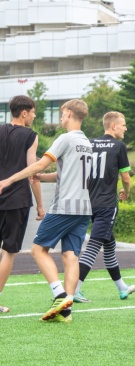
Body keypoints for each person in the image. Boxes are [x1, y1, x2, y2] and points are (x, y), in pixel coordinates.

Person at [0, 99, 93, 323]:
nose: (60, 118)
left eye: (62, 114)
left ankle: (59, 295)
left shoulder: (65, 139)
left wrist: (9, 180)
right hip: (83, 207)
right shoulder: (87, 143)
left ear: (69, 113)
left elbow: (40, 163)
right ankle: (66, 309)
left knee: (38, 250)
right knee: (70, 256)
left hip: (64, 206)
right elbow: (64, 174)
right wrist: (41, 178)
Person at [73, 112, 135, 303]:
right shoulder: (119, 146)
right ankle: (74, 289)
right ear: (113, 126)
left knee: (109, 245)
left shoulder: (90, 143)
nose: (126, 128)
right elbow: (126, 178)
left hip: (89, 202)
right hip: (107, 204)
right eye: (123, 125)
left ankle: (122, 288)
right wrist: (126, 192)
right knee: (93, 246)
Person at [0, 95, 44, 313]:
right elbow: (32, 173)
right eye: (33, 112)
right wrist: (40, 205)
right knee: (9, 251)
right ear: (24, 112)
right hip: (17, 199)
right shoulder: (30, 136)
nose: (34, 116)